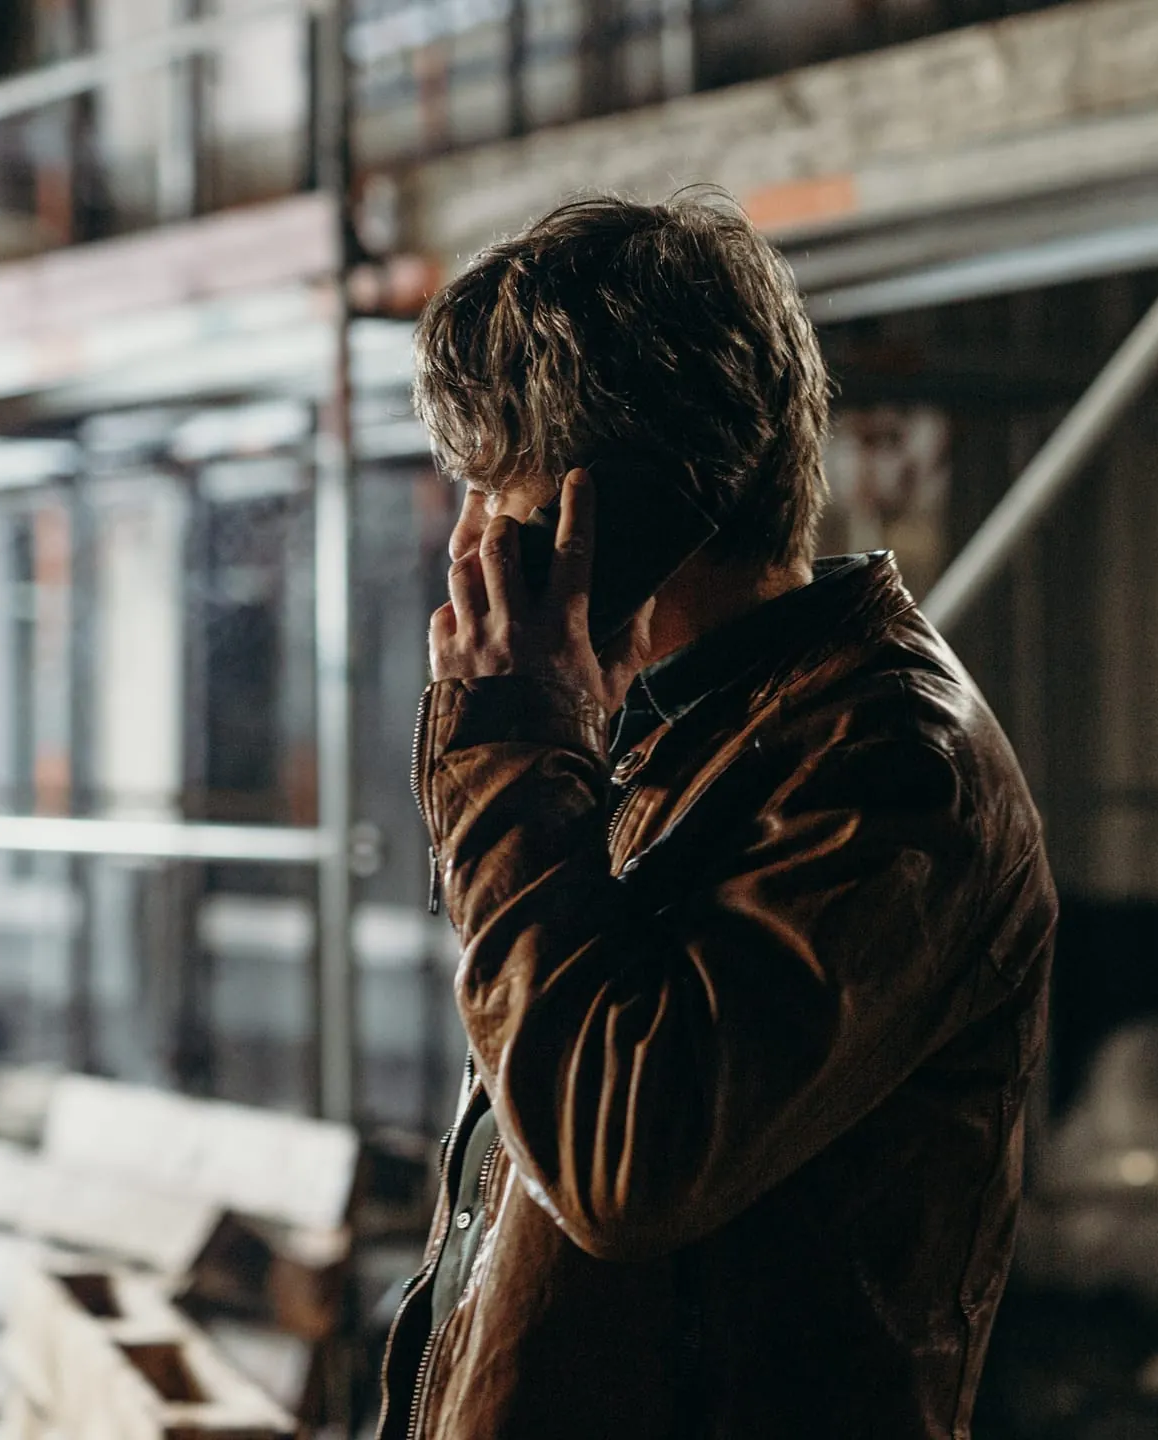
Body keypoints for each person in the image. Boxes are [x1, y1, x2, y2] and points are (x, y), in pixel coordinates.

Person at [383, 194, 1057, 1439]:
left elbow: (616, 1159)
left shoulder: (890, 768)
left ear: (628, 509)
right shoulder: (680, 735)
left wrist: (510, 749)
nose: (470, 541)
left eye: (497, 491)